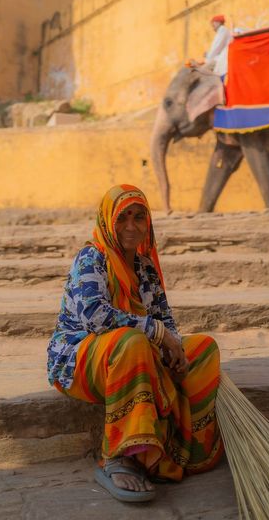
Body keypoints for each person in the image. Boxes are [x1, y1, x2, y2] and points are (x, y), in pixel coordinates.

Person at [47, 184, 223, 503]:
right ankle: (117, 456)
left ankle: (176, 449)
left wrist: (176, 348)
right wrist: (157, 333)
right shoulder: (92, 257)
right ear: (108, 221)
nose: (132, 226)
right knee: (134, 341)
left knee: (204, 349)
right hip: (79, 362)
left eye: (139, 217)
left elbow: (164, 319)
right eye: (123, 217)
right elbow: (95, 316)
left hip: (135, 355)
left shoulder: (144, 267)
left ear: (148, 222)